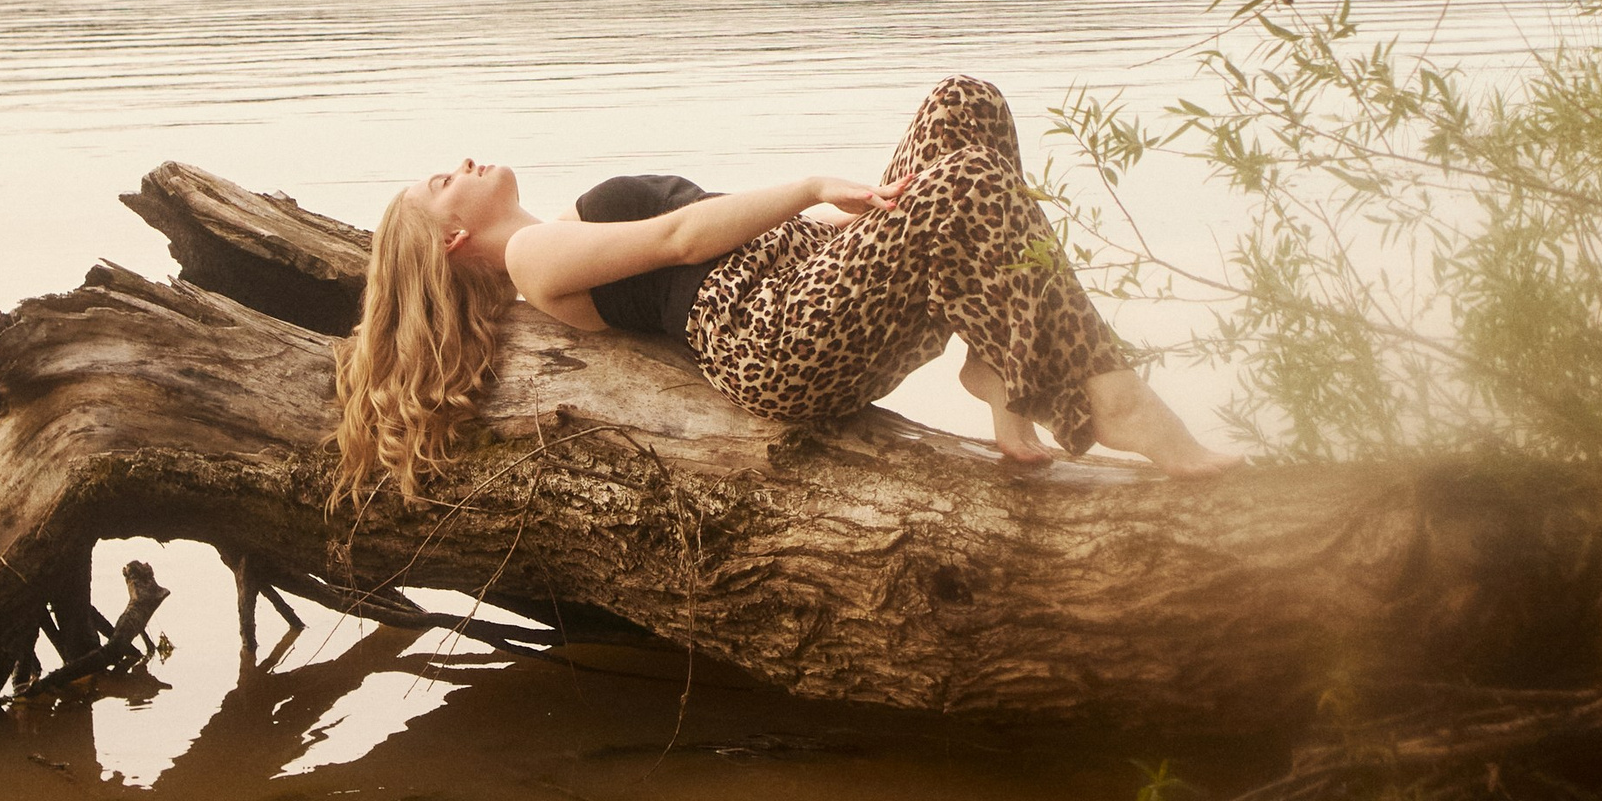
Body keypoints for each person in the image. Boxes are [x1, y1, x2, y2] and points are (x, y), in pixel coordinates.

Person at [334, 73, 1234, 501]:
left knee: (965, 105)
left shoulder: (571, 222)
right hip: (769, 339)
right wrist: (809, 186)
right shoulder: (536, 262)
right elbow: (685, 237)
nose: (459, 163)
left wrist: (840, 232)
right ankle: (1111, 402)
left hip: (800, 278)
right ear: (453, 238)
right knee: (964, 187)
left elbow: (713, 235)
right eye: (441, 179)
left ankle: (1003, 373)